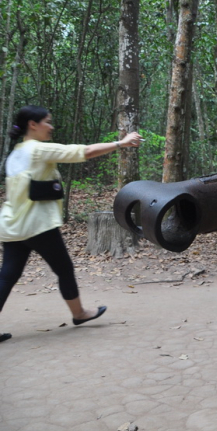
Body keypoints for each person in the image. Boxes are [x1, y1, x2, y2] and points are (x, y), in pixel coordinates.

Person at [0, 105, 142, 343]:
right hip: (37, 225)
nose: (51, 126)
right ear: (32, 125)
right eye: (47, 121)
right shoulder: (37, 150)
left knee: (7, 276)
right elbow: (83, 152)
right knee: (64, 269)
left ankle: (78, 312)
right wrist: (122, 143)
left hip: (12, 226)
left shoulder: (15, 153)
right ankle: (79, 313)